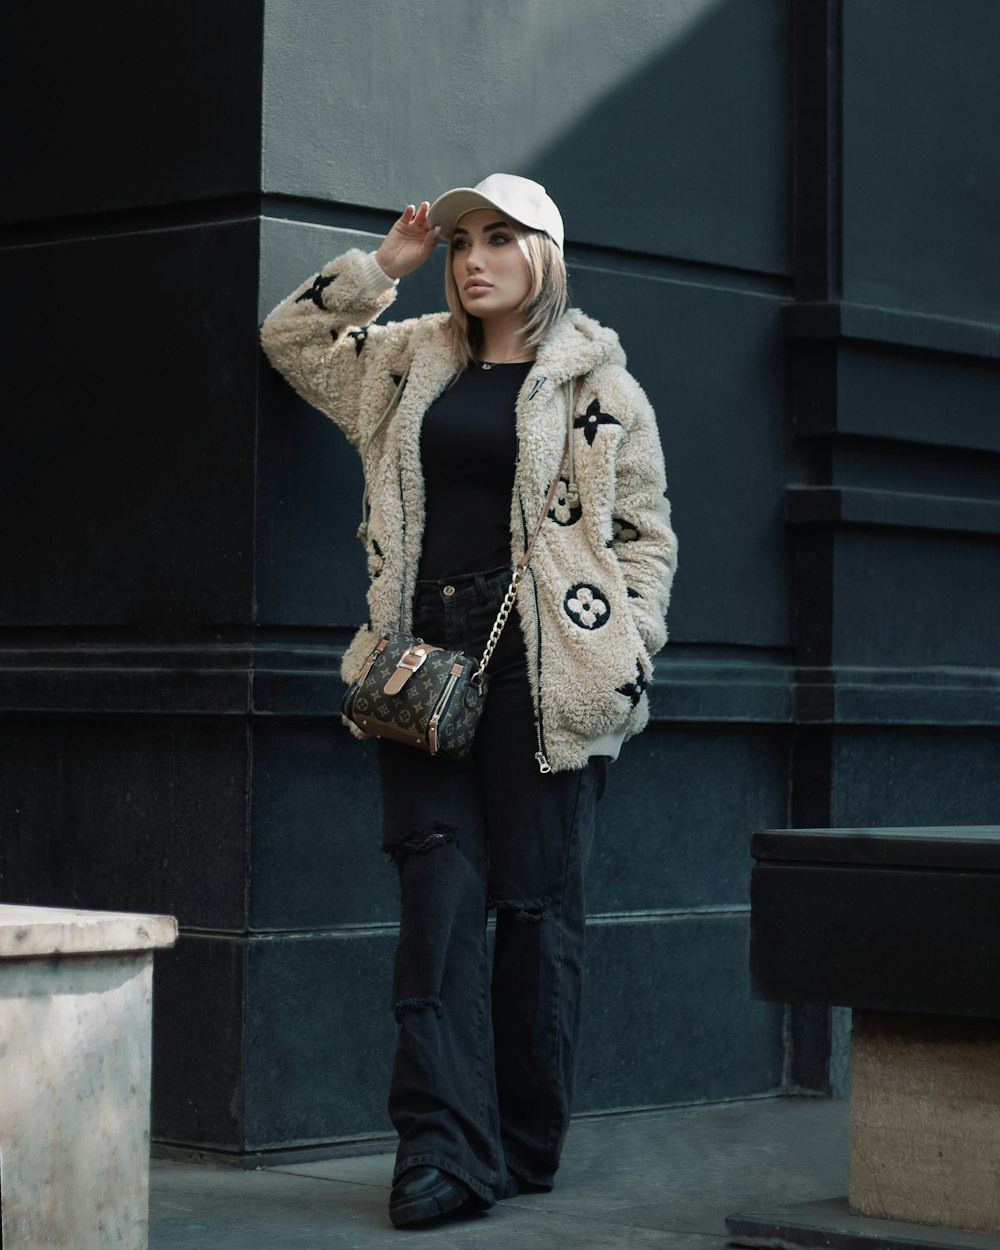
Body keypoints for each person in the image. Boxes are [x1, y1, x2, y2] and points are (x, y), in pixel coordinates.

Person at [260, 173, 677, 1228]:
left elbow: (644, 536)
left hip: (548, 673)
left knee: (537, 912)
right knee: (437, 908)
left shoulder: (601, 388)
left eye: (499, 237)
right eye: (459, 243)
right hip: (423, 667)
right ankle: (440, 1150)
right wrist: (379, 271)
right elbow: (292, 342)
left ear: (544, 251)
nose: (472, 257)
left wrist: (626, 647)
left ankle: (525, 1138)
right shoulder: (405, 361)